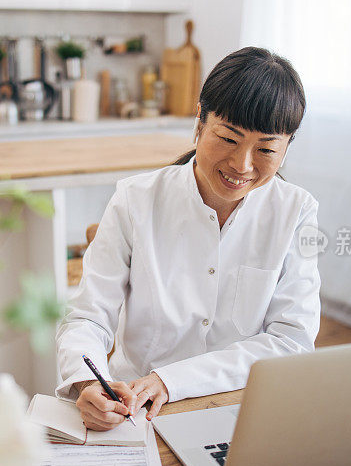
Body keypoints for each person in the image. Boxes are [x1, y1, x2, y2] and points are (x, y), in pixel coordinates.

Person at [55, 47, 321, 431]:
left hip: (242, 410)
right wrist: (86, 383)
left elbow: (292, 340)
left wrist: (174, 380)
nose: (242, 165)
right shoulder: (136, 200)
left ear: (288, 144)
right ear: (200, 118)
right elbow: (88, 316)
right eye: (228, 138)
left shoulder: (297, 212)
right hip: (136, 411)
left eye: (265, 149)